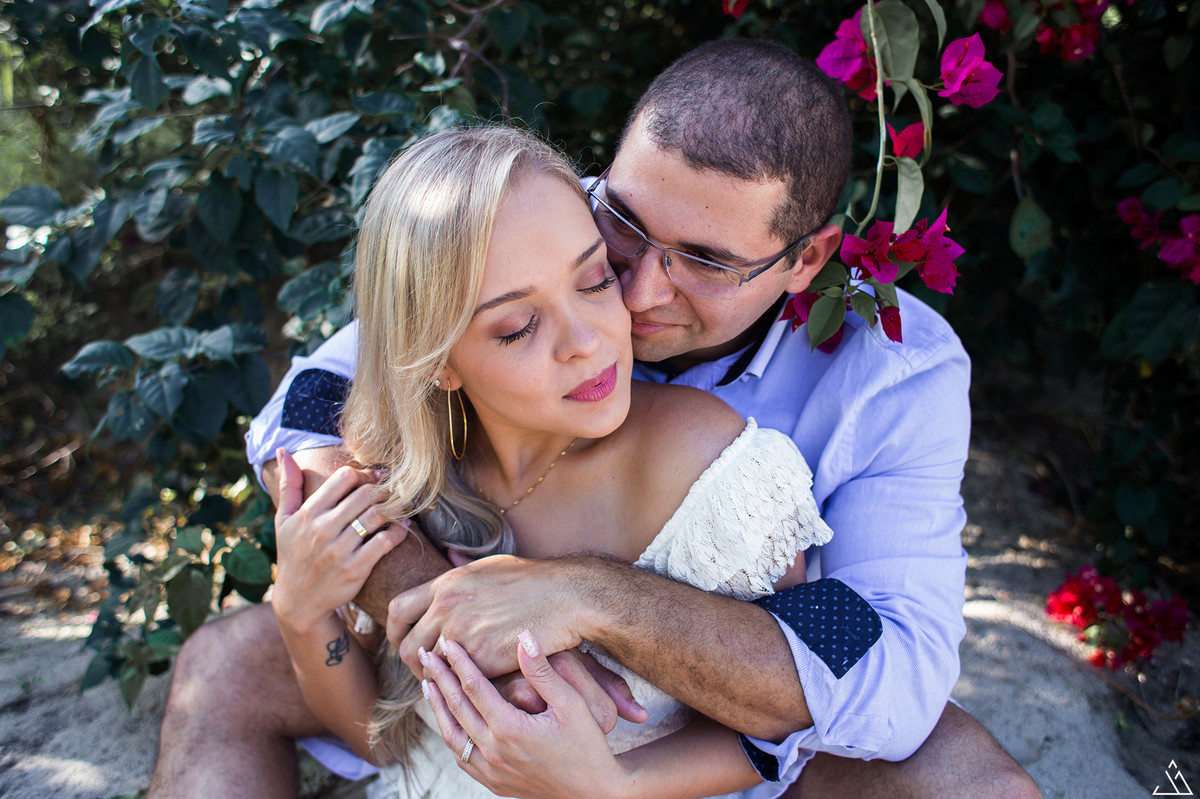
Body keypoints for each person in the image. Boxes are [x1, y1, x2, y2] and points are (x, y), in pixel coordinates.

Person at [149, 39, 1041, 799]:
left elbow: (884, 654)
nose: (636, 293)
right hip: (472, 707)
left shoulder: (891, 369)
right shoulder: (543, 223)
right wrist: (448, 624)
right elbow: (312, 411)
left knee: (970, 778)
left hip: (730, 720)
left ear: (804, 257)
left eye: (705, 261)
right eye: (625, 222)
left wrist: (588, 603)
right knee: (224, 661)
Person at [269, 123, 833, 799]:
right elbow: (387, 743)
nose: (585, 339)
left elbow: (800, 710)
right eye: (518, 325)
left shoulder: (706, 463)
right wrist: (303, 618)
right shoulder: (395, 474)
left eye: (595, 279)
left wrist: (612, 780)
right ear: (441, 361)